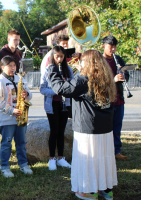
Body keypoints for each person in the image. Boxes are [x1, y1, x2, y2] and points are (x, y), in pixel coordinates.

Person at [49, 50, 118, 200]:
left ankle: (89, 191)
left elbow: (61, 89)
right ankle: (106, 189)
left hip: (88, 128)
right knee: (103, 158)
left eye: (82, 61)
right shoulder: (106, 77)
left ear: (88, 63)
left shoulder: (83, 79)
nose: (80, 64)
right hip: (105, 128)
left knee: (89, 159)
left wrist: (52, 68)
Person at [0, 55, 33, 178]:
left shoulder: (20, 78)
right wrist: (11, 110)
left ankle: (23, 164)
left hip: (20, 117)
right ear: (3, 67)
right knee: (6, 143)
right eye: (10, 66)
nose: (13, 68)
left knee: (21, 142)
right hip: (7, 118)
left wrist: (27, 94)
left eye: (14, 65)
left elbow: (29, 95)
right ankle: (4, 166)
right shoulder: (0, 81)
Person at [40, 46, 73, 171]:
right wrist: (55, 91)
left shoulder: (67, 69)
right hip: (52, 105)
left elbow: (73, 84)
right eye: (57, 56)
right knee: (54, 131)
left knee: (61, 131)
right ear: (53, 56)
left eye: (62, 56)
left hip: (64, 104)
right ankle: (52, 158)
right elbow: (42, 88)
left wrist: (66, 86)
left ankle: (61, 158)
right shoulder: (47, 70)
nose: (59, 59)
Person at [102, 35, 129, 161]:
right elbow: (99, 81)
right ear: (103, 46)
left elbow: (126, 74)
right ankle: (106, 152)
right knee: (106, 127)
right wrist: (113, 80)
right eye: (110, 47)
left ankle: (117, 151)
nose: (113, 50)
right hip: (106, 99)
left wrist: (124, 75)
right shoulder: (100, 61)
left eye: (114, 47)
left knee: (117, 125)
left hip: (119, 99)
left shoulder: (118, 59)